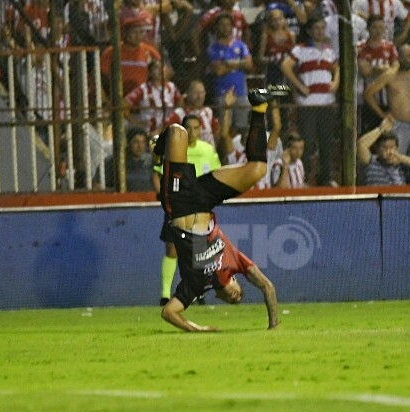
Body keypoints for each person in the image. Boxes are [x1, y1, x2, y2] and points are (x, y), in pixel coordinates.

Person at [152, 87, 285, 332]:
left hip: (180, 204)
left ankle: (158, 152)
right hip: (204, 201)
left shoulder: (196, 286)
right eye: (239, 294)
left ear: (220, 296)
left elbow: (168, 313)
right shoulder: (234, 261)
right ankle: (259, 106)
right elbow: (267, 286)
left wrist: (197, 329)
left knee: (178, 132)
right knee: (257, 170)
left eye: (233, 300)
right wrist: (273, 325)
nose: (236, 297)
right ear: (235, 280)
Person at [152, 114, 222, 306]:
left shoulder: (207, 150)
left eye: (196, 128)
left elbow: (216, 174)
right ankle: (165, 294)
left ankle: (199, 292)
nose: (192, 132)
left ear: (201, 130)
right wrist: (162, 196)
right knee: (172, 248)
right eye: (188, 128)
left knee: (200, 251)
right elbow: (157, 174)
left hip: (199, 206)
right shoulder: (175, 149)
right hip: (178, 204)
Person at [280, 16, 340, 186]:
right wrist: (299, 86)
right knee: (306, 142)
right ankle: (303, 177)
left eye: (322, 28)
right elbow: (285, 66)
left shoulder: (329, 50)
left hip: (326, 103)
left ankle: (326, 177)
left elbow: (337, 68)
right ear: (309, 31)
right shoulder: (301, 49)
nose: (320, 31)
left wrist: (336, 82)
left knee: (326, 141)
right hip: (307, 104)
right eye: (316, 28)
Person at [363, 44, 410, 159]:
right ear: (398, 57)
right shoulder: (389, 75)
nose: (406, 60)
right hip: (397, 124)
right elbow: (368, 94)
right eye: (403, 56)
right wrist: (382, 114)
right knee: (395, 158)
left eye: (409, 56)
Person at [208, 12, 254, 138]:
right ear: (217, 27)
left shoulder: (241, 45)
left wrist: (228, 63)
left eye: (228, 25)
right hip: (222, 93)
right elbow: (219, 71)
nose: (225, 28)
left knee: (242, 128)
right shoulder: (213, 48)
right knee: (224, 128)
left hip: (241, 92)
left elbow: (249, 64)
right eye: (222, 25)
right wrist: (239, 63)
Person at [357, 15, 400, 133]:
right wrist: (379, 69)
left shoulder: (389, 46)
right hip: (365, 99)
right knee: (368, 133)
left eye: (381, 27)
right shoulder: (360, 47)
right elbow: (365, 71)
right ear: (368, 28)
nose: (378, 31)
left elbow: (395, 67)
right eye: (375, 27)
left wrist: (386, 70)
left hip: (386, 98)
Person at [357, 116, 410, 186]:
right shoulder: (371, 161)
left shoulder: (402, 164)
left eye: (392, 147)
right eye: (385, 147)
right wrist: (381, 129)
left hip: (398, 193)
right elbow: (361, 145)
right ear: (377, 149)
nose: (389, 151)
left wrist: (400, 158)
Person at [100, 16, 161, 97]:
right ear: (125, 33)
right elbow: (100, 75)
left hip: (143, 95)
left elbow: (164, 71)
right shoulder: (112, 51)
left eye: (141, 32)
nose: (138, 36)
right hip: (119, 95)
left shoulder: (149, 50)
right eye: (134, 32)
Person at [124, 61, 183, 134]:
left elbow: (180, 103)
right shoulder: (143, 89)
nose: (161, 70)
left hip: (169, 127)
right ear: (150, 73)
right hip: (150, 129)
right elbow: (124, 104)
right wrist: (136, 123)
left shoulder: (172, 87)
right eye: (156, 67)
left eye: (163, 67)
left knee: (181, 112)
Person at [96, 126, 154, 191]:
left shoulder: (151, 161)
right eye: (135, 142)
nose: (140, 146)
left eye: (143, 142)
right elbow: (96, 185)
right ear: (128, 143)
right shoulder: (113, 162)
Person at [174, 80, 219, 147]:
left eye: (202, 93)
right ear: (188, 94)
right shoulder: (180, 113)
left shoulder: (208, 111)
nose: (199, 97)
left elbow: (216, 130)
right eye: (195, 93)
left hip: (209, 151)